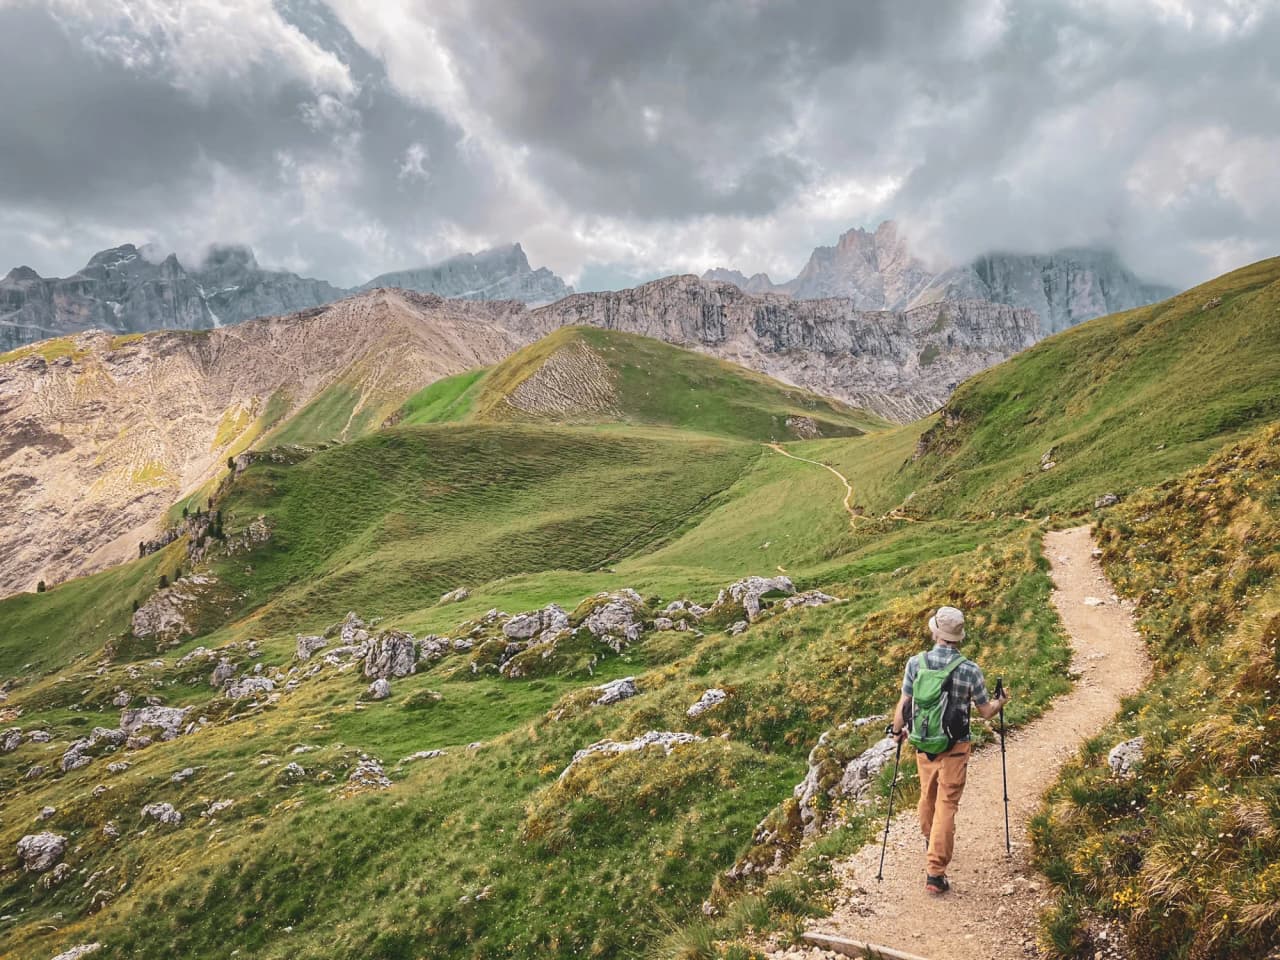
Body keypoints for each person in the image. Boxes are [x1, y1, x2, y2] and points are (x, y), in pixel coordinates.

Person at [890, 605, 1011, 895]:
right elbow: (984, 712)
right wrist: (1001, 702)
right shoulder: (970, 669)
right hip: (956, 747)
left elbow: (904, 703)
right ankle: (935, 873)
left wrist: (896, 732)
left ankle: (931, 840)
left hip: (923, 744)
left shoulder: (915, 663)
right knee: (947, 805)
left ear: (935, 632)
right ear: (959, 637)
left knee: (927, 797)